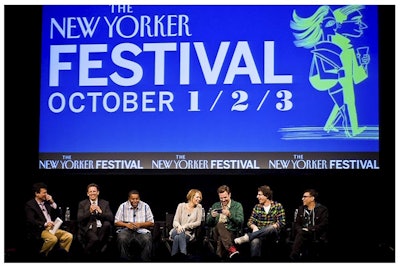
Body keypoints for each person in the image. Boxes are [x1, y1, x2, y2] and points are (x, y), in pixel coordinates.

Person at [234, 185, 286, 259]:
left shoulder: (278, 206)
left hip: (273, 234)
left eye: (259, 195)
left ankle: (248, 237)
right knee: (255, 241)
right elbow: (250, 222)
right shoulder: (257, 207)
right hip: (259, 235)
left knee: (271, 227)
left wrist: (273, 226)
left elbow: (282, 222)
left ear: (267, 195)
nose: (257, 196)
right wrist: (254, 227)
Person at [24, 182, 73, 257]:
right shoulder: (30, 204)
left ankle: (62, 255)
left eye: (46, 192)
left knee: (68, 236)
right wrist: (45, 223)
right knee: (53, 239)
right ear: (37, 194)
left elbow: (59, 212)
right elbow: (31, 220)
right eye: (44, 193)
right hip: (41, 229)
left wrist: (52, 201)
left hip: (53, 228)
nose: (46, 195)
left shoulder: (47, 203)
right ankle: (42, 255)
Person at [114, 189, 155, 261]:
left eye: (137, 199)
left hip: (141, 230)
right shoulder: (122, 206)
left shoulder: (145, 206)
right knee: (121, 238)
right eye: (133, 199)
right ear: (129, 199)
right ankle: (124, 261)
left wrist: (140, 224)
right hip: (126, 230)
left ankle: (145, 261)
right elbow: (116, 222)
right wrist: (127, 225)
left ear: (139, 198)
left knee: (147, 238)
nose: (135, 201)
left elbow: (151, 222)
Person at [289, 189, 328, 261]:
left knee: (301, 234)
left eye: (305, 197)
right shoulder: (301, 209)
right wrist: (301, 230)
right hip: (302, 234)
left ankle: (293, 257)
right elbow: (297, 223)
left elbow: (323, 224)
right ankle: (294, 256)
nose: (302, 199)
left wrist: (309, 229)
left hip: (316, 234)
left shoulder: (322, 209)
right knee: (301, 233)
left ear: (312, 198)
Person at [205, 185, 243, 259]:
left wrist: (229, 215)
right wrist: (212, 217)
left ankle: (219, 259)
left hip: (231, 232)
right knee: (219, 224)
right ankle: (232, 250)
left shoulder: (237, 205)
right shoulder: (215, 205)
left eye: (225, 197)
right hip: (215, 233)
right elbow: (208, 223)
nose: (223, 200)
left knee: (220, 239)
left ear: (229, 195)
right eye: (221, 198)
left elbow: (240, 222)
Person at [77, 183, 114, 257]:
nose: (92, 193)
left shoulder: (105, 203)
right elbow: (79, 219)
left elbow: (111, 218)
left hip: (101, 228)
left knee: (107, 224)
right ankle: (86, 255)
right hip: (88, 228)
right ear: (87, 194)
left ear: (98, 192)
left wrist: (101, 212)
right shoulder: (82, 204)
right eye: (90, 192)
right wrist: (89, 212)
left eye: (94, 191)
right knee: (95, 239)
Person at [169, 189, 203, 257]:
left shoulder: (199, 207)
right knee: (180, 232)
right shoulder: (181, 206)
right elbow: (175, 221)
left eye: (200, 197)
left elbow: (198, 222)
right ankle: (184, 256)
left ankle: (173, 259)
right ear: (191, 197)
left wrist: (185, 226)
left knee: (177, 238)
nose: (199, 199)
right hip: (175, 231)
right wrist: (179, 226)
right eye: (197, 197)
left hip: (188, 234)